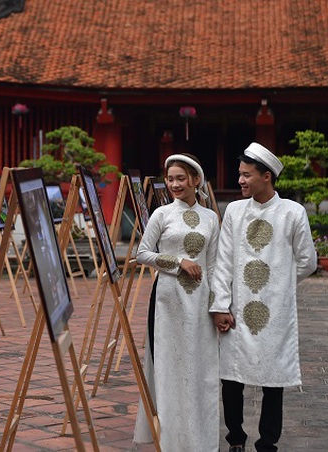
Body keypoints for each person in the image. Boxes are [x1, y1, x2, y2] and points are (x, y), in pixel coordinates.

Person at [209, 142, 317, 452]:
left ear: (266, 176)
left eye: (246, 175)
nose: (240, 180)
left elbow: (307, 260)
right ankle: (236, 439)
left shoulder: (292, 213)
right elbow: (223, 261)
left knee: (273, 378)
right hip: (236, 307)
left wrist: (277, 283)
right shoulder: (234, 211)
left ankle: (268, 441)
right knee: (231, 377)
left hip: (276, 309)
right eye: (239, 174)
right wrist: (220, 306)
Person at [134, 153, 221, 451]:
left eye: (180, 178)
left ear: (196, 180)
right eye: (170, 179)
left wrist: (217, 305)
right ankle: (171, 440)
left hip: (199, 303)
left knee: (201, 369)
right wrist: (178, 262)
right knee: (171, 367)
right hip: (168, 302)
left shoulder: (211, 218)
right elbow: (142, 254)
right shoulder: (161, 215)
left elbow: (214, 265)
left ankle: (201, 439)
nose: (174, 184)